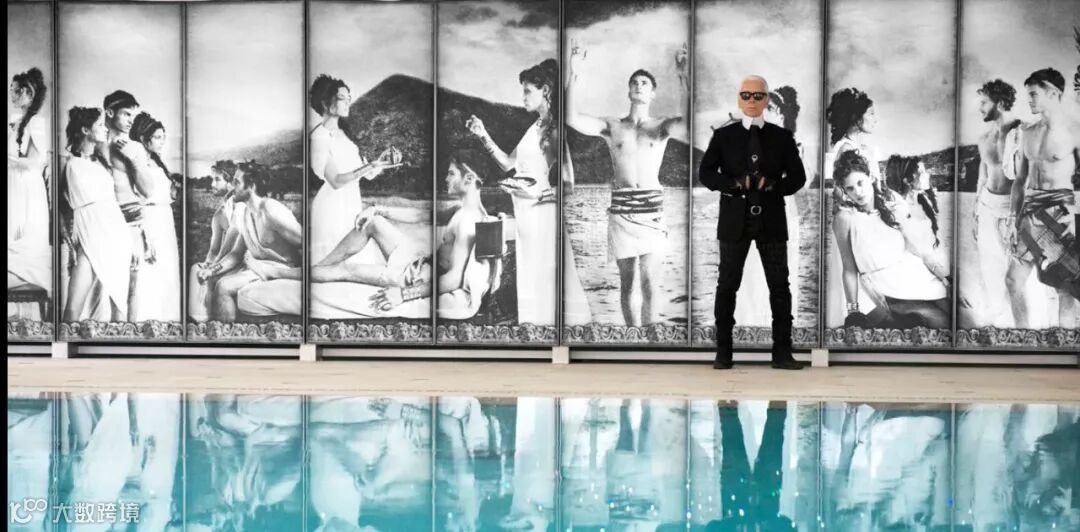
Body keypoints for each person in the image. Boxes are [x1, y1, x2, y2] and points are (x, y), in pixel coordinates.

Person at [566, 39, 688, 327]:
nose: (638, 85)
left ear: (653, 92)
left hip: (651, 211)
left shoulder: (660, 126)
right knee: (628, 282)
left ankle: (650, 337)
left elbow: (688, 120)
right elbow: (571, 117)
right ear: (628, 90)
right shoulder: (613, 126)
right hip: (621, 211)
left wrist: (683, 75)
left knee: (650, 281)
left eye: (644, 83)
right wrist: (574, 72)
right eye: (634, 82)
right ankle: (633, 337)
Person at [467, 58, 591, 327]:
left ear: (545, 90)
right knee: (531, 270)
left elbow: (568, 182)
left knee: (544, 271)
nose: (522, 97)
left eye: (527, 91)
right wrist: (482, 134)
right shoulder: (534, 127)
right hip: (525, 210)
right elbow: (508, 164)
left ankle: (549, 327)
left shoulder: (554, 128)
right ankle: (535, 327)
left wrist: (537, 195)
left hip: (541, 212)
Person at [698, 75, 807, 370]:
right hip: (734, 221)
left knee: (780, 286)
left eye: (758, 95)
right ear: (738, 99)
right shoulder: (723, 136)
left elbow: (798, 177)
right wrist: (733, 183)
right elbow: (705, 173)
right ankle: (723, 353)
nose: (751, 100)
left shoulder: (782, 137)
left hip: (772, 220)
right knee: (727, 285)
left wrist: (774, 185)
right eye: (746, 95)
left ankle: (782, 354)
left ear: (766, 100)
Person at [309, 158, 498, 320]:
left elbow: (453, 280)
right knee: (373, 222)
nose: (446, 178)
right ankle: (318, 268)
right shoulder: (461, 210)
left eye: (451, 174)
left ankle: (297, 273)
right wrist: (376, 209)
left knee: (346, 269)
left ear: (469, 179)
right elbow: (420, 215)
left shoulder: (466, 222)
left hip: (416, 279)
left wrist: (403, 294)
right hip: (421, 265)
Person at [831, 150, 950, 330]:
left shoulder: (892, 204)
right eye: (850, 188)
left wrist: (944, 276)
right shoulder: (845, 218)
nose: (858, 192)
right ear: (844, 190)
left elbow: (916, 247)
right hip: (886, 287)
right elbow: (849, 269)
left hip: (913, 274)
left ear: (871, 177)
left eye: (860, 183)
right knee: (942, 322)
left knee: (962, 312)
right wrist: (853, 311)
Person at [1006, 68, 1080, 329]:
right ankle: (1023, 338)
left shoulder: (1075, 131)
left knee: (1065, 288)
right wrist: (1012, 218)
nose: (1029, 100)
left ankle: (1064, 342)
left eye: (1034, 94)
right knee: (1013, 281)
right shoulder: (1027, 132)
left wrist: (1077, 217)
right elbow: (1019, 180)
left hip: (1061, 215)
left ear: (1053, 93)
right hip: (1029, 214)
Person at [308, 74, 402, 264]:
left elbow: (367, 173)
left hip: (352, 203)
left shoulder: (345, 134)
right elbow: (335, 181)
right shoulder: (320, 137)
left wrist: (382, 162)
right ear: (325, 103)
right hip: (332, 207)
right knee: (333, 263)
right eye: (342, 98)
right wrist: (368, 167)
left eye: (349, 98)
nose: (348, 103)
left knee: (355, 259)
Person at [199, 162, 302, 321]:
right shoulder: (246, 213)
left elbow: (305, 243)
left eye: (236, 182)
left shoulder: (271, 211)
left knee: (224, 286)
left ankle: (227, 333)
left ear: (251, 186)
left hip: (281, 270)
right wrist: (211, 270)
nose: (232, 187)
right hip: (257, 269)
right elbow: (236, 254)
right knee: (215, 280)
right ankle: (218, 330)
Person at [61, 107, 133, 322]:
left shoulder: (102, 161)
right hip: (89, 233)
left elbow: (114, 203)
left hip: (116, 232)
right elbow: (58, 205)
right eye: (100, 125)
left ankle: (119, 343)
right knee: (72, 309)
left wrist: (131, 241)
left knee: (119, 304)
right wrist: (67, 236)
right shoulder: (66, 161)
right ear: (85, 130)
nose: (105, 128)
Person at [972, 79, 1023, 327]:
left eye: (984, 102)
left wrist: (1016, 216)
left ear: (1000, 103)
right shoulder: (983, 138)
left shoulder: (1021, 133)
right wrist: (974, 212)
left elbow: (1023, 179)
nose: (980, 108)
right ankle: (999, 322)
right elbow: (982, 176)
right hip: (986, 207)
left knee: (1017, 273)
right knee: (989, 268)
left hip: (1011, 207)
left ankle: (1024, 325)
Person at [704, 402, 794, 531]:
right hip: (757, 499)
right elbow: (789, 526)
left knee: (733, 441)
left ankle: (729, 404)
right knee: (770, 442)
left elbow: (712, 527)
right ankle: (777, 404)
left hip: (743, 498)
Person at [125, 112, 180, 322]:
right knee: (150, 271)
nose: (161, 141)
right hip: (149, 220)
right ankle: (147, 321)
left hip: (165, 220)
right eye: (157, 137)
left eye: (163, 137)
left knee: (167, 271)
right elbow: (138, 198)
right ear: (143, 138)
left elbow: (164, 193)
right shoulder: (138, 165)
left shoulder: (158, 164)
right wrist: (147, 234)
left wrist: (173, 190)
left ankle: (168, 321)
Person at [7, 67, 52, 321]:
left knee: (26, 235)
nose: (11, 96)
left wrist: (10, 159)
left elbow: (36, 162)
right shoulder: (15, 121)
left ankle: (31, 316)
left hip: (27, 185)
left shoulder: (37, 122)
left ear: (28, 93)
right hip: (13, 182)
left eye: (15, 91)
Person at [102, 90, 148, 321]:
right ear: (110, 112)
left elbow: (147, 190)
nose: (131, 120)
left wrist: (132, 160)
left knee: (131, 283)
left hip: (130, 219)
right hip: (103, 219)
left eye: (133, 115)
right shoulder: (95, 143)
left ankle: (129, 334)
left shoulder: (134, 147)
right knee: (106, 285)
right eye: (126, 114)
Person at [189, 161, 245, 322]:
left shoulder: (240, 207)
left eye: (217, 179)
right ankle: (200, 323)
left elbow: (233, 248)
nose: (212, 184)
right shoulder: (220, 214)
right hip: (227, 261)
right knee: (196, 269)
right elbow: (214, 250)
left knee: (208, 277)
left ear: (231, 183)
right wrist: (208, 264)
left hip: (241, 262)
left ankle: (209, 323)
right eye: (212, 179)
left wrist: (212, 268)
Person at [825, 87, 881, 182]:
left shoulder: (860, 148)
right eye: (871, 114)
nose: (875, 120)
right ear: (856, 118)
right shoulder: (846, 149)